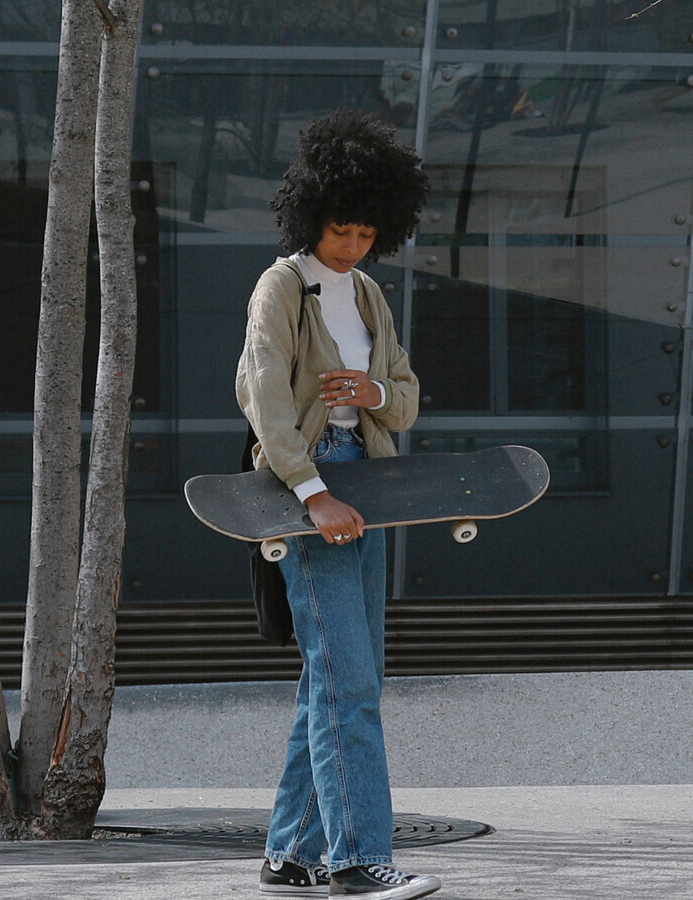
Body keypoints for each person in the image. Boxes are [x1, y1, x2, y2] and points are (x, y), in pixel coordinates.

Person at [237, 109, 436, 900]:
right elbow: (262, 398)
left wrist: (373, 389)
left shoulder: (367, 296)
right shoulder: (283, 286)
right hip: (310, 488)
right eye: (339, 230)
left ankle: (290, 854)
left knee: (340, 678)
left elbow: (409, 399)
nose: (349, 245)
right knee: (348, 682)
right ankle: (357, 860)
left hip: (371, 486)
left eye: (363, 233)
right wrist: (313, 493)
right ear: (311, 214)